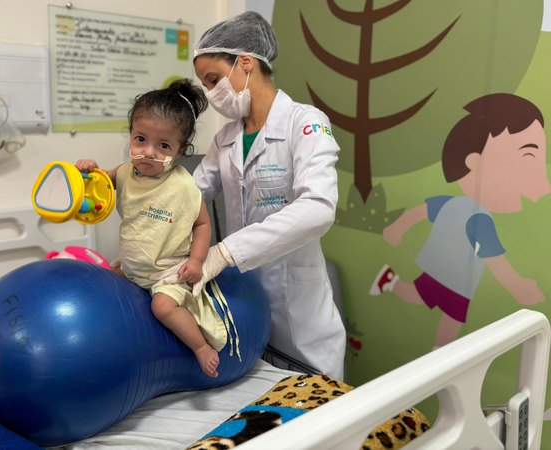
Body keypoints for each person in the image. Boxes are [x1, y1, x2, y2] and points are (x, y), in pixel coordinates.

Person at [183, 11, 346, 378]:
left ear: (245, 62)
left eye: (213, 80)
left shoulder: (305, 123)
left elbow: (318, 208)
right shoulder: (226, 139)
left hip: (303, 322)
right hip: (247, 312)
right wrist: (131, 183)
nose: (211, 95)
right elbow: (189, 197)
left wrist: (225, 251)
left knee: (316, 415)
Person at [76, 79, 227, 377]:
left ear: (180, 150)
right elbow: (98, 184)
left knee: (162, 307)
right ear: (131, 136)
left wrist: (196, 262)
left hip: (166, 271)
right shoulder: (124, 173)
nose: (148, 152)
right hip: (134, 267)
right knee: (104, 281)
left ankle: (200, 347)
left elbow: (202, 223)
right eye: (140, 139)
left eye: (163, 146)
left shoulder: (183, 185)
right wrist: (88, 169)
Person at [370, 93, 547, 348]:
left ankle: (392, 284)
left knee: (426, 302)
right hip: (452, 278)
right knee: (426, 303)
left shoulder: (456, 204)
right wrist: (517, 286)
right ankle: (440, 354)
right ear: (474, 163)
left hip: (450, 276)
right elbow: (495, 259)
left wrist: (397, 228)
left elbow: (421, 211)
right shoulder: (479, 218)